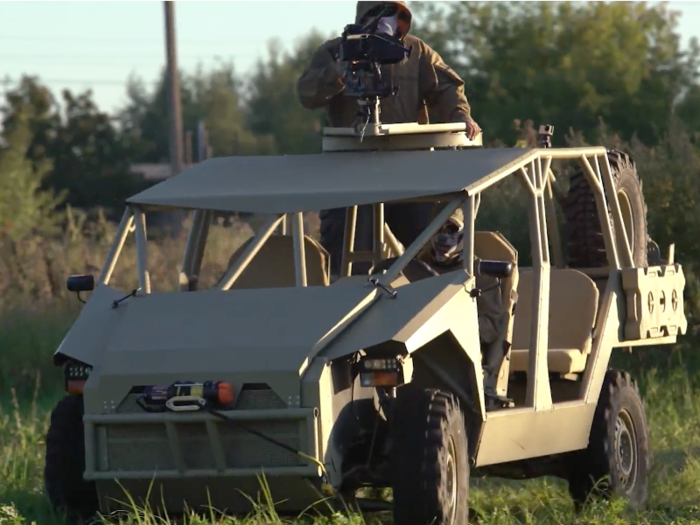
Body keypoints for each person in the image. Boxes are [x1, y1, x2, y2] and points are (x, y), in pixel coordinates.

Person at [296, 0, 481, 278]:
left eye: (394, 15)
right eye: (377, 14)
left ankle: (446, 251)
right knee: (351, 269)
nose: (385, 23)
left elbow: (446, 88)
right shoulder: (337, 51)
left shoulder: (416, 52)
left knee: (429, 256)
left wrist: (460, 116)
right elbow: (306, 93)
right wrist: (336, 73)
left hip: (408, 171)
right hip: (350, 175)